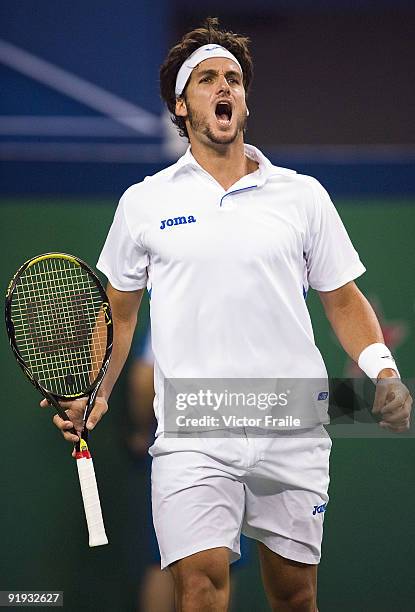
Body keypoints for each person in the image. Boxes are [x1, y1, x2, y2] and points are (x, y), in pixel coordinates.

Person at [43, 17, 412, 612]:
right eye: (208, 78)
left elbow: (343, 299)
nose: (225, 88)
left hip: (291, 420)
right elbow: (120, 314)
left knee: (294, 597)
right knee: (201, 586)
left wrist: (384, 371)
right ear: (182, 105)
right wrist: (95, 391)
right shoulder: (144, 203)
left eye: (234, 79)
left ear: (244, 101)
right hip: (193, 428)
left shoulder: (302, 196)